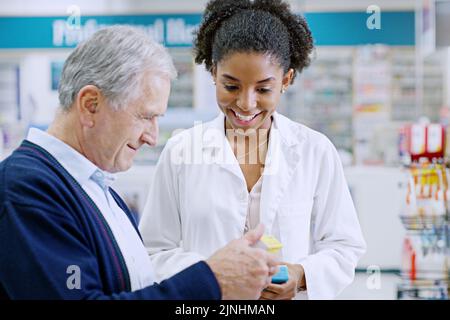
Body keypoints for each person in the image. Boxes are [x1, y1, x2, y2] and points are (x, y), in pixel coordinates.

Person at [0, 25, 279, 300]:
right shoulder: (28, 190)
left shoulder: (95, 187)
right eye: (145, 117)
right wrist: (211, 280)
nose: (152, 137)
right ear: (90, 105)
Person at [140, 0, 366, 300]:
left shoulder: (315, 151)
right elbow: (154, 250)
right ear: (213, 71)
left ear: (286, 80)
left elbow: (344, 246)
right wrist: (213, 276)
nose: (246, 104)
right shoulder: (181, 151)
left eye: (263, 89)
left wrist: (299, 276)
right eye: (231, 86)